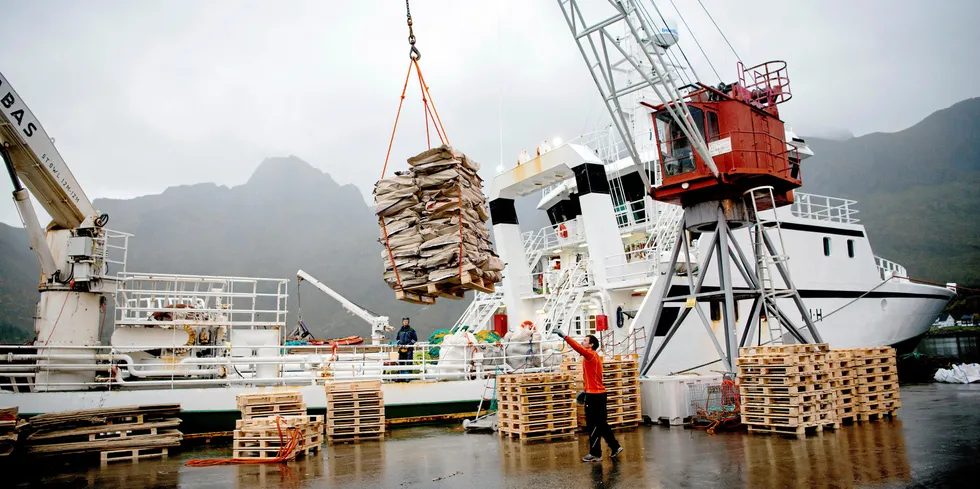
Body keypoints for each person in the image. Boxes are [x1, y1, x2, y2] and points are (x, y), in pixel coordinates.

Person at [555, 330, 623, 462]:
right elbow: (593, 377)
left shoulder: (590, 355)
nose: (583, 342)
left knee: (593, 424)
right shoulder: (594, 357)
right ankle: (613, 447)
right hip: (597, 393)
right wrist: (585, 390)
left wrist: (565, 336)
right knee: (601, 423)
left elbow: (578, 348)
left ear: (591, 345)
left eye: (585, 341)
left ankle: (597, 453)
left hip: (594, 396)